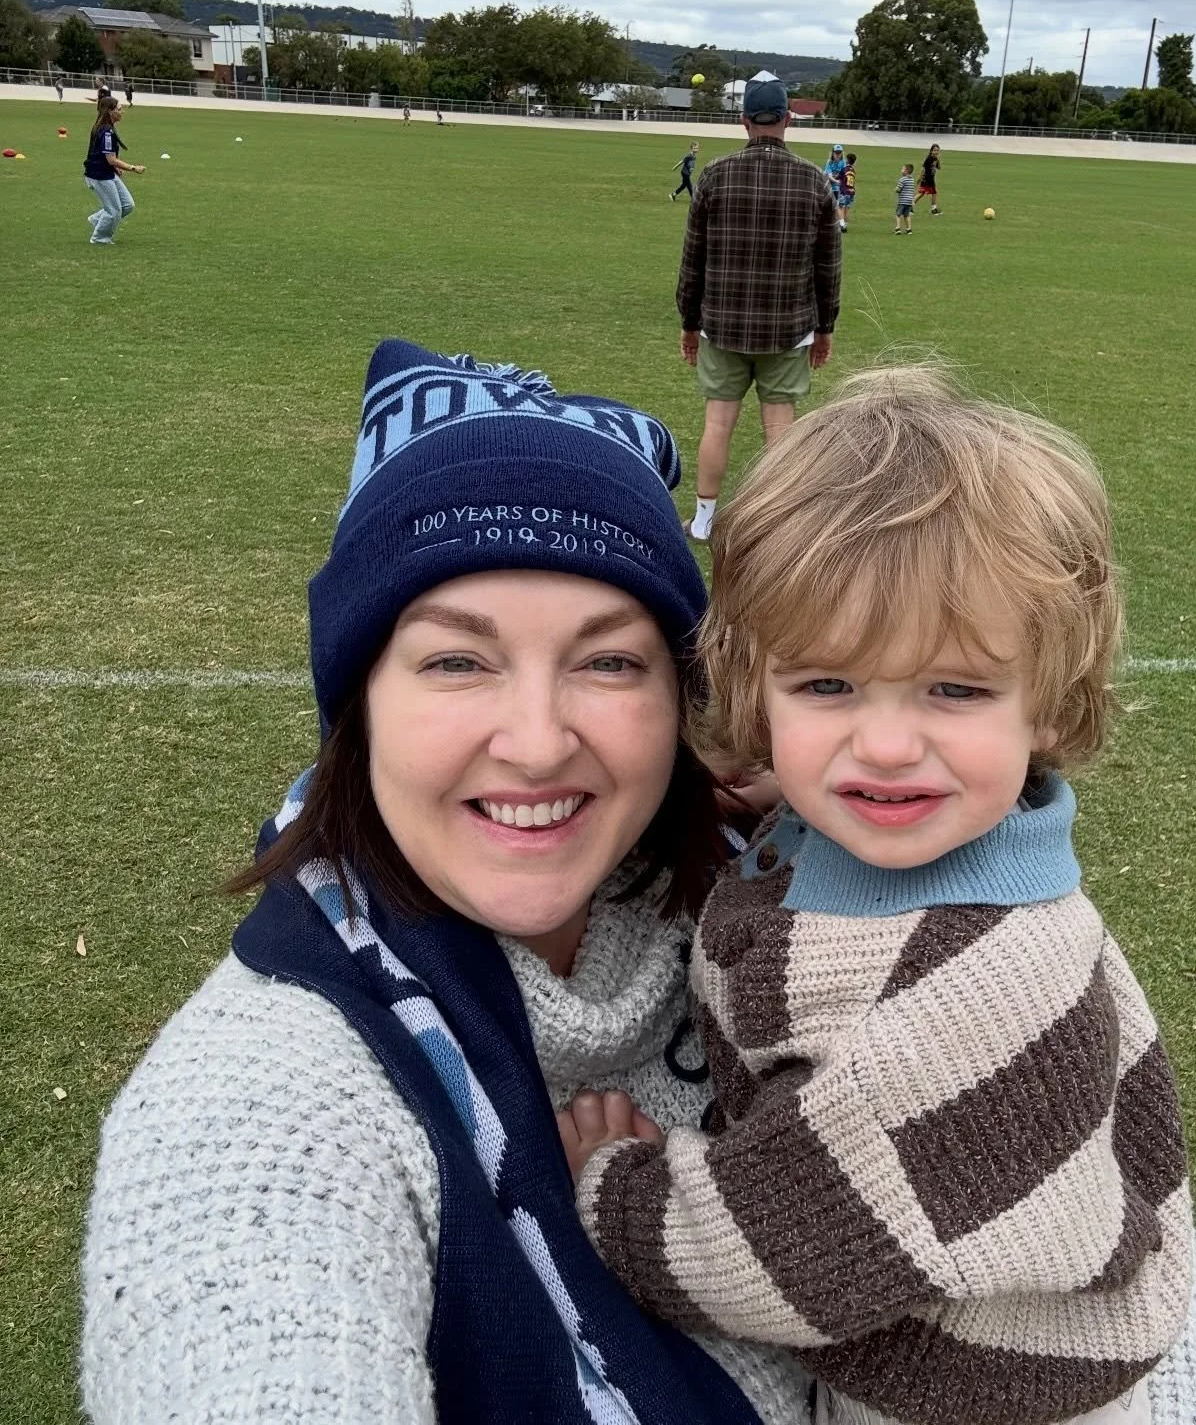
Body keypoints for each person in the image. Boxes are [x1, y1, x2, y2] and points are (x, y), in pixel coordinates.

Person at [81, 339, 813, 1424]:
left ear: (680, 699)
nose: (533, 741)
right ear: (359, 696)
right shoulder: (268, 1095)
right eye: (456, 659)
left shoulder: (819, 905)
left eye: (609, 659)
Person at [561, 367, 1196, 1425]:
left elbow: (786, 1247)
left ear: (1047, 699)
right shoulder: (955, 833)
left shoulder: (967, 1000)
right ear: (757, 683)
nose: (884, 744)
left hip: (978, 1392)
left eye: (954, 689)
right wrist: (798, 795)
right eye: (827, 685)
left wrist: (619, 1190)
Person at [675, 74, 841, 543]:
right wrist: (825, 327)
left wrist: (689, 323)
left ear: (744, 121)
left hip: (721, 326)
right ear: (788, 120)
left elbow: (693, 260)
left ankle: (705, 518)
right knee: (780, 428)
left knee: (718, 422)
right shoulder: (814, 182)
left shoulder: (714, 175)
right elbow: (828, 266)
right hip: (788, 328)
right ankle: (779, 523)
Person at [83, 97, 143, 247]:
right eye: (119, 109)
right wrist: (133, 168)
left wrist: (115, 168)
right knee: (114, 210)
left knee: (127, 205)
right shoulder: (106, 132)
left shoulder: (106, 128)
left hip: (107, 173)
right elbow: (111, 159)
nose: (122, 112)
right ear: (110, 111)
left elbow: (105, 156)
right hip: (99, 176)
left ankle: (97, 220)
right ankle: (99, 238)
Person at [835, 152, 856, 232]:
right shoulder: (853, 170)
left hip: (844, 191)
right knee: (846, 209)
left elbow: (838, 177)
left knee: (840, 207)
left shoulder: (844, 169)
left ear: (847, 160)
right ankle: (845, 225)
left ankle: (842, 224)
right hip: (852, 191)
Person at [918, 143, 941, 215]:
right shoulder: (929, 158)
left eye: (937, 150)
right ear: (931, 151)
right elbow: (923, 168)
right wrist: (920, 178)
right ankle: (909, 207)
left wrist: (938, 160)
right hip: (926, 179)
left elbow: (938, 167)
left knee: (933, 193)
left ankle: (934, 209)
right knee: (921, 193)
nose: (936, 152)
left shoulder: (935, 159)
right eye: (934, 150)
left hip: (931, 179)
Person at [894, 162, 915, 234]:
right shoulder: (912, 180)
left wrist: (896, 190)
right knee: (907, 215)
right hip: (909, 201)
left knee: (898, 214)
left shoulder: (902, 179)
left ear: (906, 171)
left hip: (902, 200)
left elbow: (898, 189)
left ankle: (898, 228)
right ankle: (909, 229)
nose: (901, 170)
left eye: (902, 169)